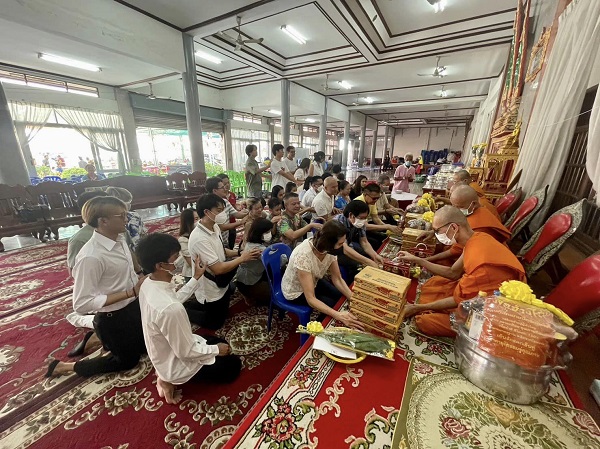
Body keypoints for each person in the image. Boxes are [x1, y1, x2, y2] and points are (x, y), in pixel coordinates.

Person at [46, 196, 147, 378]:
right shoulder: (91, 257)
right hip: (112, 318)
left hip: (133, 307)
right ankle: (64, 366)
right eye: (122, 215)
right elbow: (82, 304)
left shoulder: (119, 237)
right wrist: (130, 292)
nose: (127, 219)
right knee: (127, 361)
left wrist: (140, 274)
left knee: (147, 347)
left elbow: (129, 258)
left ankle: (96, 338)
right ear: (103, 221)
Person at [136, 233, 241, 405]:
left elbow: (174, 298)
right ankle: (166, 379)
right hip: (177, 363)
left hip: (165, 351)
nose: (179, 260)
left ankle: (163, 375)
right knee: (233, 365)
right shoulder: (170, 309)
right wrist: (216, 350)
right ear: (160, 265)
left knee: (219, 341)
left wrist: (196, 277)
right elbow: (185, 352)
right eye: (175, 258)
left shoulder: (148, 282)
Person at [398, 206, 526, 337]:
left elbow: (457, 300)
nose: (436, 235)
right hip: (478, 291)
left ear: (453, 228)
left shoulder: (483, 267)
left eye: (437, 231)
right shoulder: (476, 238)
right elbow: (453, 273)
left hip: (491, 313)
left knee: (425, 322)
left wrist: (417, 308)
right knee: (434, 283)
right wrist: (418, 260)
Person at [187, 194, 262, 330]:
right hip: (210, 284)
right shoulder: (199, 238)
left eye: (223, 209)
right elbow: (218, 269)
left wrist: (240, 253)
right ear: (207, 212)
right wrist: (241, 258)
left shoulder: (214, 226)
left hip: (221, 279)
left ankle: (194, 304)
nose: (223, 214)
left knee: (226, 302)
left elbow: (223, 250)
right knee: (215, 323)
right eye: (219, 210)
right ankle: (183, 311)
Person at [281, 221, 363, 329]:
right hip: (296, 291)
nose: (342, 247)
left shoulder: (329, 250)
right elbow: (311, 299)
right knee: (333, 306)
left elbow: (337, 278)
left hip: (313, 280)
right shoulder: (303, 256)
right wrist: (338, 315)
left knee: (340, 299)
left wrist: (352, 298)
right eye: (340, 244)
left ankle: (331, 320)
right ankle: (317, 330)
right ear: (329, 242)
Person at [334, 200, 383, 281]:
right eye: (361, 218)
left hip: (347, 247)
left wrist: (375, 255)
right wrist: (367, 261)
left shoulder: (359, 222)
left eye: (365, 218)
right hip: (333, 252)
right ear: (351, 215)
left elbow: (364, 242)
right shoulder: (339, 223)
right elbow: (345, 249)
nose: (363, 220)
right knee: (358, 265)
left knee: (367, 257)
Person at [205, 177, 249, 250]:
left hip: (225, 239)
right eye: (222, 187)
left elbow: (236, 214)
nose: (225, 188)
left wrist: (248, 210)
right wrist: (241, 222)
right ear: (215, 190)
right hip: (215, 242)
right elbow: (221, 227)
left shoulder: (225, 201)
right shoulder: (208, 206)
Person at [355, 183, 403, 249]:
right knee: (376, 242)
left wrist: (388, 228)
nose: (376, 200)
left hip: (363, 228)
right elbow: (365, 226)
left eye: (377, 198)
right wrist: (387, 226)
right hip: (355, 231)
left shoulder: (371, 202)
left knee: (384, 236)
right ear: (365, 194)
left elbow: (375, 218)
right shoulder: (359, 203)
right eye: (374, 198)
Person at [236, 218, 273, 302]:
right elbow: (276, 261)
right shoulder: (257, 249)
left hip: (253, 276)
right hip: (248, 283)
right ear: (259, 232)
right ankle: (250, 295)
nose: (269, 234)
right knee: (276, 295)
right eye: (267, 232)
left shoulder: (253, 242)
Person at [177, 208, 198, 283]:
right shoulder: (183, 240)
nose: (199, 221)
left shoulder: (201, 233)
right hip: (192, 274)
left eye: (199, 218)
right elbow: (192, 263)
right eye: (196, 219)